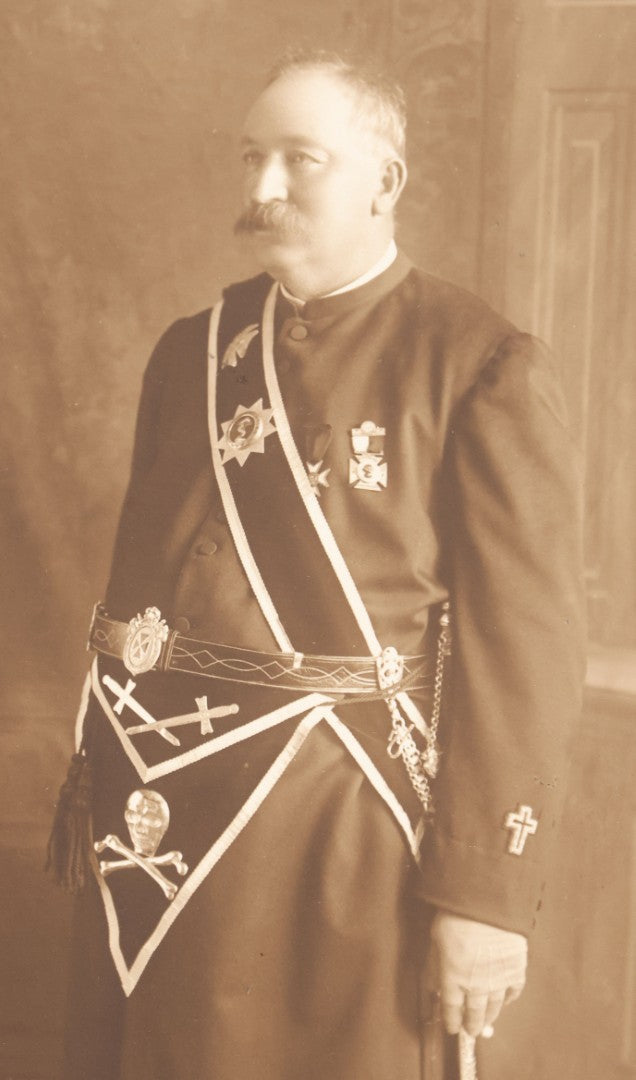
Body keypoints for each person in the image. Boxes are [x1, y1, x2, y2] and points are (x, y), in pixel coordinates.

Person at [52, 49, 585, 1080]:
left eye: (302, 158)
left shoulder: (477, 363)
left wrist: (483, 900)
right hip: (159, 839)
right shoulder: (190, 352)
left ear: (385, 181)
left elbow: (525, 658)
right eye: (252, 157)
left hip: (339, 844)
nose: (264, 186)